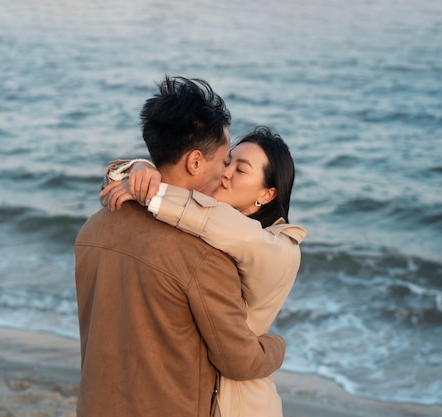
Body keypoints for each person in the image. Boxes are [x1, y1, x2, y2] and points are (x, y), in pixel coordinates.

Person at [75, 77, 287, 417]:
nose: (225, 174)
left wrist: (134, 168)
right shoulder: (204, 257)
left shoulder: (93, 228)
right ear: (195, 162)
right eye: (223, 160)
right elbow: (241, 360)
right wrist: (277, 346)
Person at [102, 126, 306, 417]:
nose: (225, 172)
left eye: (241, 169)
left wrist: (151, 191)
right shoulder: (204, 222)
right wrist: (139, 169)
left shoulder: (278, 247)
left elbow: (222, 225)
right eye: (228, 161)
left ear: (267, 194)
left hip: (239, 404)